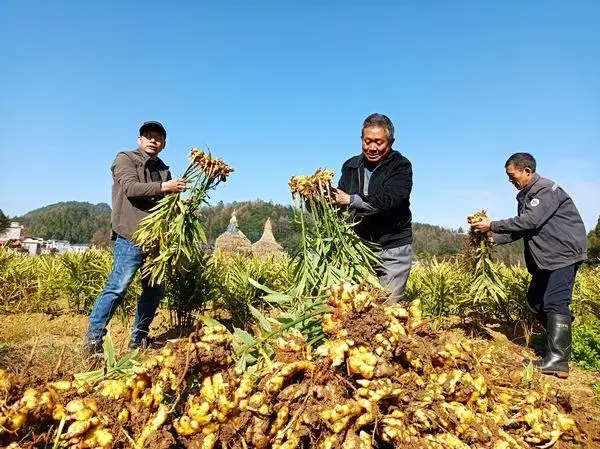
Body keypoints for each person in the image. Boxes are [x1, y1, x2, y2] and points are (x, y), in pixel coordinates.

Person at [471, 152, 587, 378]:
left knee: (555, 302)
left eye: (512, 175)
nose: (510, 180)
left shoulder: (545, 190)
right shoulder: (525, 195)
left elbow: (530, 221)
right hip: (546, 257)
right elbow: (524, 228)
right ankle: (557, 343)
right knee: (536, 301)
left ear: (527, 171)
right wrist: (493, 237)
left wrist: (492, 224)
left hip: (562, 253)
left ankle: (558, 359)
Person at [84, 121, 187, 355]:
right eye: (148, 136)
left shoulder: (162, 168)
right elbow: (130, 188)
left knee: (154, 290)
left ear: (164, 144)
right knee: (118, 286)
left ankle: (139, 339)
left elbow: (164, 203)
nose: (153, 140)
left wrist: (179, 206)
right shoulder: (125, 158)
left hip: (156, 240)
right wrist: (164, 187)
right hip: (130, 235)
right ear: (140, 139)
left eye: (158, 137)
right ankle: (93, 340)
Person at [332, 113, 413, 302]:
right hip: (358, 246)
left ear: (391, 142)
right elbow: (341, 202)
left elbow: (388, 200)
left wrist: (350, 199)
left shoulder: (401, 166)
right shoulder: (350, 166)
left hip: (392, 247)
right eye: (368, 141)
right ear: (361, 139)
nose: (372, 147)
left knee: (389, 306)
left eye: (379, 142)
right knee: (351, 304)